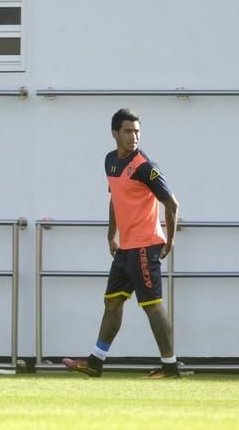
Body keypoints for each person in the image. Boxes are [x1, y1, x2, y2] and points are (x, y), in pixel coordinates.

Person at [63, 108, 180, 378]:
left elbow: (172, 204)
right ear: (115, 133)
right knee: (113, 303)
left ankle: (171, 367)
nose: (134, 136)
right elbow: (115, 197)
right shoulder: (110, 161)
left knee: (152, 305)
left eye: (137, 131)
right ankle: (95, 362)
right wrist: (110, 234)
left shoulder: (144, 167)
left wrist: (169, 240)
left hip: (145, 246)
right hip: (125, 248)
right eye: (128, 131)